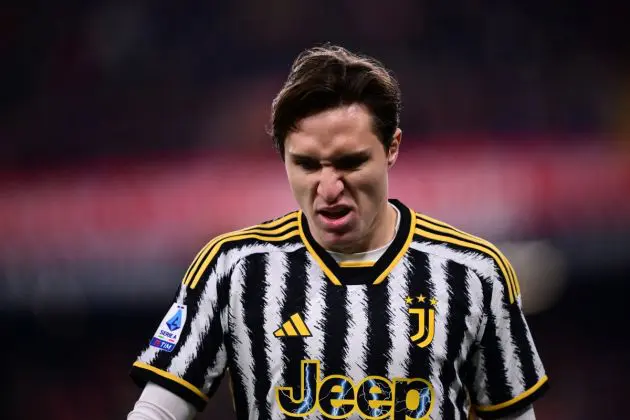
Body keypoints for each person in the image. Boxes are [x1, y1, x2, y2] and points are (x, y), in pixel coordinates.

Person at [128, 44, 548, 420]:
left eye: (349, 162)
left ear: (392, 148)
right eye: (307, 165)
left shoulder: (474, 273)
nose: (328, 189)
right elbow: (156, 410)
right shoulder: (234, 268)